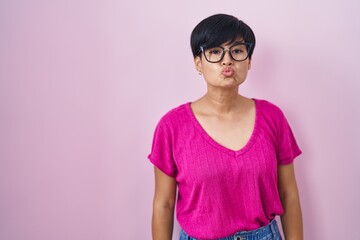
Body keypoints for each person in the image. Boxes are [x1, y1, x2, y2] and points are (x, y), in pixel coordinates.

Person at [148, 13, 303, 240]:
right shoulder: (171, 127)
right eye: (215, 52)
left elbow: (288, 193)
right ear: (198, 62)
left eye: (238, 51)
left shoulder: (273, 118)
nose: (227, 60)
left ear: (249, 61)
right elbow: (164, 203)